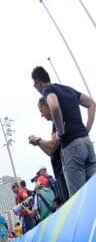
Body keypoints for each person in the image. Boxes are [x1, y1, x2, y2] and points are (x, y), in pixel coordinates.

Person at [32, 66, 96, 197]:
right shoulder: (67, 89)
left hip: (72, 148)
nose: (35, 87)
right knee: (93, 192)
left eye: (34, 84)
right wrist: (87, 129)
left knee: (80, 198)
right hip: (86, 142)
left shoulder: (48, 90)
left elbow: (54, 106)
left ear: (38, 81)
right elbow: (91, 103)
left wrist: (61, 132)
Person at [28, 98, 69, 202]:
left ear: (48, 107)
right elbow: (51, 152)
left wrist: (38, 140)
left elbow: (53, 145)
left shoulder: (59, 120)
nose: (41, 115)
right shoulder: (54, 124)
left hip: (66, 169)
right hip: (60, 172)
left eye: (42, 111)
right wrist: (38, 144)